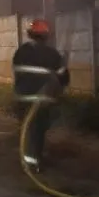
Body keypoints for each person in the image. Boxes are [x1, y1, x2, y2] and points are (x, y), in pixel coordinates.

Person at [12, 19, 69, 172]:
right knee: (37, 130)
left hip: (22, 99)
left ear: (30, 35)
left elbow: (18, 74)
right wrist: (63, 65)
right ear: (46, 36)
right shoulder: (52, 54)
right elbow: (63, 79)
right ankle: (32, 162)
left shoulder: (21, 52)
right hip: (43, 101)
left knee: (27, 129)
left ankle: (30, 158)